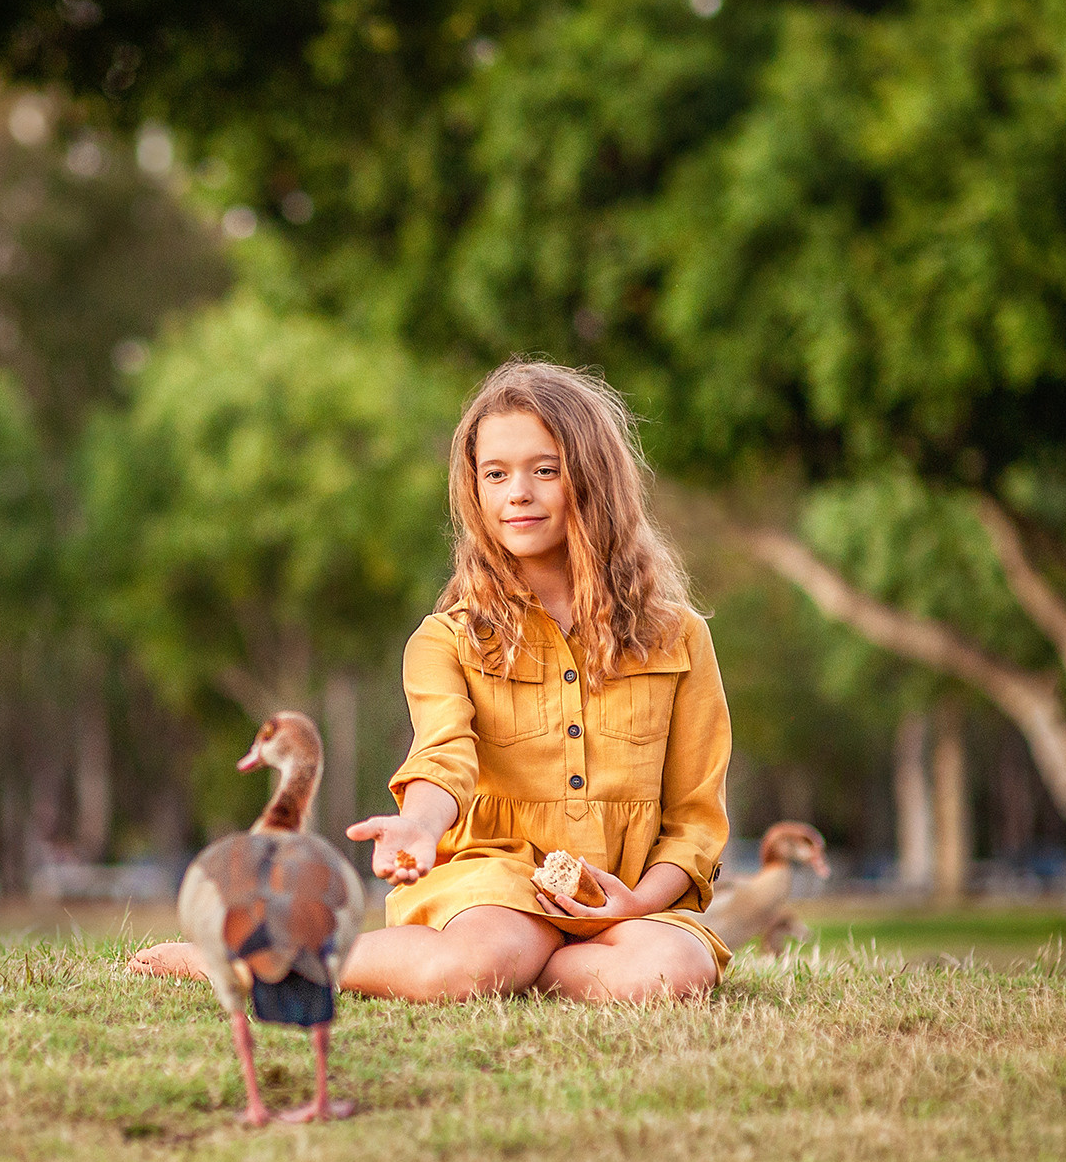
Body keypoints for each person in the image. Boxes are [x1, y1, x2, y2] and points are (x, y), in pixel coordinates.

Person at [130, 360, 730, 1002]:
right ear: (474, 490)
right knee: (465, 968)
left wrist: (636, 902)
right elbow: (443, 756)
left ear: (595, 479)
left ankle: (529, 968)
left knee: (672, 973)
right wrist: (419, 826)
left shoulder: (681, 638)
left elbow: (694, 819)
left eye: (545, 469)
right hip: (495, 887)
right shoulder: (446, 640)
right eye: (495, 474)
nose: (517, 493)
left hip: (626, 898)